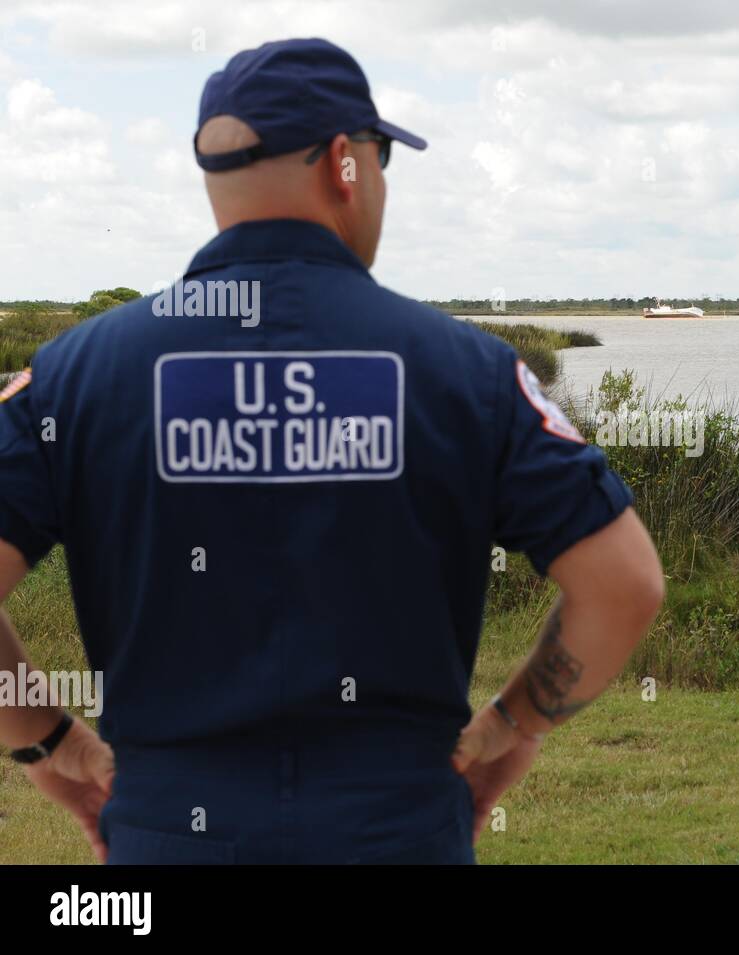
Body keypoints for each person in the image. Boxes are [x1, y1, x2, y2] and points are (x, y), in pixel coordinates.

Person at [0, 37, 663, 864]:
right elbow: (624, 583)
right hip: (398, 832)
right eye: (383, 158)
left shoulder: (75, 377)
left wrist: (48, 737)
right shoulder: (470, 373)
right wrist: (512, 724)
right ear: (345, 163)